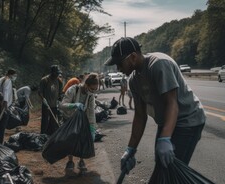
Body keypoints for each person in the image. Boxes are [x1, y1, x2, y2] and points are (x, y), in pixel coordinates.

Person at [104, 37, 206, 173]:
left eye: (120, 64)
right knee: (161, 165)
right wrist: (130, 149)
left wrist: (164, 138)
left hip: (187, 120)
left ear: (133, 57)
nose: (118, 68)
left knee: (172, 172)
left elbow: (172, 104)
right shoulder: (134, 80)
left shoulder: (159, 64)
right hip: (166, 122)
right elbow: (140, 115)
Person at [60, 73, 99, 174]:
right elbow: (62, 105)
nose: (93, 92)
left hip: (81, 119)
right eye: (92, 89)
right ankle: (70, 161)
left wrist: (92, 128)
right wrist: (74, 105)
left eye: (95, 90)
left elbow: (91, 112)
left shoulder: (91, 96)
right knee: (70, 140)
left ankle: (81, 161)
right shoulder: (73, 90)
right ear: (86, 85)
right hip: (69, 118)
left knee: (83, 139)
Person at [38, 65, 63, 135]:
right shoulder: (45, 80)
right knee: (45, 121)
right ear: (52, 72)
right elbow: (40, 92)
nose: (57, 75)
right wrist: (43, 99)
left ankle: (51, 135)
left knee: (53, 122)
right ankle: (43, 135)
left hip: (55, 104)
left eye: (58, 73)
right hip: (46, 104)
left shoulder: (59, 81)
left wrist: (60, 99)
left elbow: (60, 93)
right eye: (56, 73)